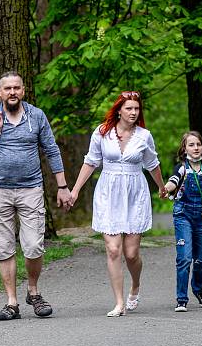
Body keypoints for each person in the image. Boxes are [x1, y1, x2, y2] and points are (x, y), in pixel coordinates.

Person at [0, 71, 73, 321]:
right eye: (8, 89)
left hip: (31, 190)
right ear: (0, 92)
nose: (12, 92)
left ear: (23, 90)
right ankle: (11, 302)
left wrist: (62, 186)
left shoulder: (36, 116)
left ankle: (33, 292)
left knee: (33, 246)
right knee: (4, 247)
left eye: (17, 87)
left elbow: (51, 149)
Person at [70, 91, 167, 317]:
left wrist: (162, 187)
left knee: (131, 254)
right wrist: (75, 190)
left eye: (137, 109)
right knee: (113, 250)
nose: (134, 113)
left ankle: (135, 286)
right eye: (129, 109)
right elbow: (91, 162)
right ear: (119, 110)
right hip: (109, 192)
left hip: (135, 193)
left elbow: (152, 164)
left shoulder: (144, 136)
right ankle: (119, 303)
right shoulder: (102, 132)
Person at [163, 131, 202, 312]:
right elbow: (173, 182)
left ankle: (198, 290)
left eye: (198, 144)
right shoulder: (181, 168)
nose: (195, 148)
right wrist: (165, 188)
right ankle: (181, 298)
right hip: (183, 216)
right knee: (185, 258)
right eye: (191, 145)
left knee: (201, 260)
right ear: (184, 148)